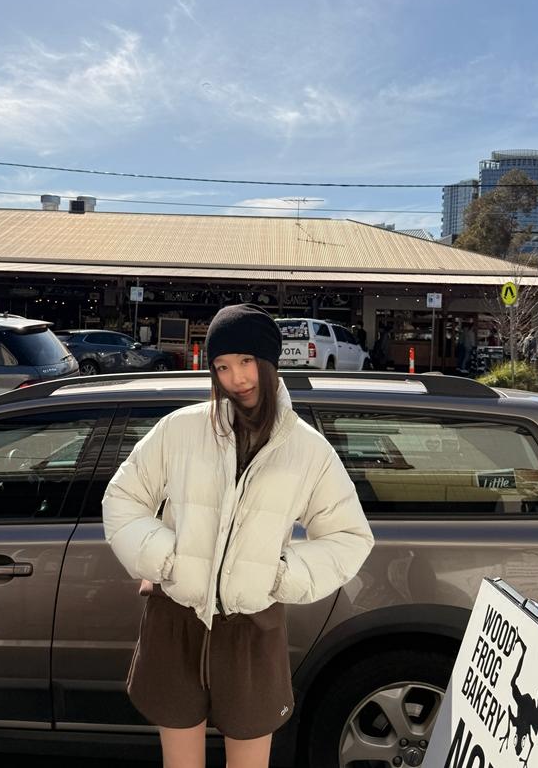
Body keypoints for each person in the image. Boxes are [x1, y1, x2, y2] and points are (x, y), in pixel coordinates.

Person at [102, 303, 374, 768]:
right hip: (176, 619)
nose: (237, 378)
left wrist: (278, 577)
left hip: (252, 629)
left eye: (246, 361)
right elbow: (123, 497)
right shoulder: (181, 429)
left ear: (268, 362)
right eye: (223, 366)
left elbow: (349, 535)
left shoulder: (307, 450)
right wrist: (167, 558)